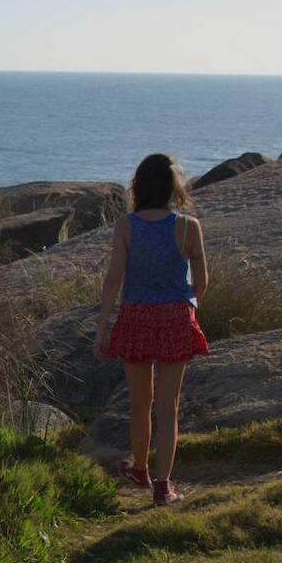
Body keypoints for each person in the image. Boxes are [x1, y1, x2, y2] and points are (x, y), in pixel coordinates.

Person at [94, 154, 209, 506]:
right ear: (174, 187)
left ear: (138, 185)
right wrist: (188, 305)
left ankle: (141, 468)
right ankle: (163, 485)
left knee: (141, 402)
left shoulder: (126, 226)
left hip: (136, 316)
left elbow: (114, 280)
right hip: (176, 315)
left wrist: (102, 328)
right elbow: (202, 283)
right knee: (168, 406)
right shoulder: (189, 227)